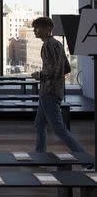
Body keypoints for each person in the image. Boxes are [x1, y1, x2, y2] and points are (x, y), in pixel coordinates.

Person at [31, 17, 85, 153]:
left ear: (48, 29)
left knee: (59, 129)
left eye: (37, 28)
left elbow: (54, 69)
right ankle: (39, 154)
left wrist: (40, 74)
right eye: (34, 28)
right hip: (50, 91)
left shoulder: (49, 44)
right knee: (39, 125)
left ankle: (85, 159)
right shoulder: (57, 44)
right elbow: (67, 67)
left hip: (49, 92)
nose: (34, 31)